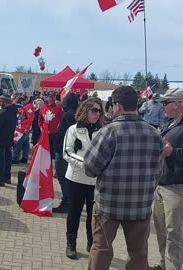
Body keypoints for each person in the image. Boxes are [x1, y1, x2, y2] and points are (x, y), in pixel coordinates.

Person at [84, 86, 162, 270]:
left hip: (108, 205)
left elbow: (90, 167)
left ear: (117, 106)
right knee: (138, 255)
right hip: (140, 206)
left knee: (101, 250)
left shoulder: (109, 132)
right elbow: (158, 171)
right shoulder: (154, 134)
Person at [62, 98, 103, 259]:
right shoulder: (73, 129)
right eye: (94, 110)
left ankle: (91, 242)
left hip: (96, 181)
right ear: (85, 111)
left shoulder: (103, 131)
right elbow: (67, 152)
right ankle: (71, 243)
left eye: (99, 111)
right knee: (74, 212)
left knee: (94, 214)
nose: (97, 113)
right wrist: (87, 164)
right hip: (76, 179)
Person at [151, 88, 183, 270]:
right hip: (162, 184)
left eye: (166, 102)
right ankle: (164, 264)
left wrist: (174, 153)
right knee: (162, 230)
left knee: (174, 233)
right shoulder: (171, 123)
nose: (163, 106)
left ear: (178, 103)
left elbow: (173, 151)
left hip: (177, 187)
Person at [53, 93, 79, 213]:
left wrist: (56, 145)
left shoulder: (68, 115)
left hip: (63, 150)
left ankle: (67, 201)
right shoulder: (75, 114)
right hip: (69, 150)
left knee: (62, 176)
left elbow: (63, 133)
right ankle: (70, 200)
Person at [0, 94, 17, 187]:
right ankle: (7, 177)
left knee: (0, 159)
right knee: (7, 158)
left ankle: (0, 179)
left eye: (0, 101)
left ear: (4, 102)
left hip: (0, 138)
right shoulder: (13, 110)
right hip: (8, 138)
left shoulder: (4, 112)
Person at [38, 90, 63, 159]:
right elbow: (40, 118)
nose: (52, 98)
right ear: (47, 97)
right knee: (44, 151)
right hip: (44, 132)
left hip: (54, 133)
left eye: (53, 97)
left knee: (53, 153)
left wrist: (58, 128)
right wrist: (41, 127)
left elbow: (62, 119)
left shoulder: (58, 107)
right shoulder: (43, 107)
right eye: (50, 97)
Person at [12, 95, 34, 164]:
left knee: (18, 143)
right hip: (22, 127)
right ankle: (24, 157)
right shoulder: (25, 107)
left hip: (23, 128)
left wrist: (27, 129)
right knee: (25, 143)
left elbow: (30, 119)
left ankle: (16, 158)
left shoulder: (28, 107)